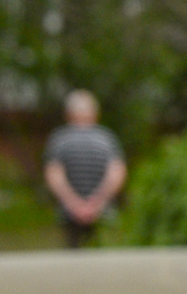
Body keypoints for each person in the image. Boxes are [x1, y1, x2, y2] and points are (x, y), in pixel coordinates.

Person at [40, 90, 127, 249]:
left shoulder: (59, 139)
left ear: (68, 114)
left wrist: (73, 204)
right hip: (103, 212)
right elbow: (116, 172)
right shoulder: (107, 139)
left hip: (69, 213)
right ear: (95, 113)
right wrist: (98, 202)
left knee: (74, 261)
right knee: (103, 256)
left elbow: (54, 174)